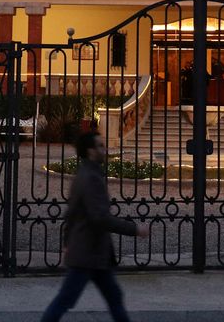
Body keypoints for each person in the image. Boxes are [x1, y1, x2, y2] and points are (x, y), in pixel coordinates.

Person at [40, 131, 148, 322]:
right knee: (66, 299)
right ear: (91, 151)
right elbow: (100, 218)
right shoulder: (91, 178)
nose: (104, 150)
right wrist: (134, 229)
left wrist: (67, 243)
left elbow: (71, 213)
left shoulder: (84, 174)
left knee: (112, 297)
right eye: (100, 146)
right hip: (88, 253)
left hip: (94, 253)